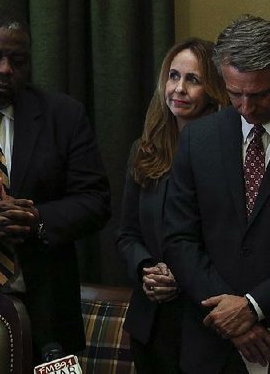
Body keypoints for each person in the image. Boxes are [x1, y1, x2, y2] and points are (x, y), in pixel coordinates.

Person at [0, 8, 111, 362]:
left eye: (18, 60)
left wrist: (37, 219)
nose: (6, 69)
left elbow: (96, 201)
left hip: (45, 312)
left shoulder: (63, 115)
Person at [164, 14, 270, 374]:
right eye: (234, 93)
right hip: (210, 344)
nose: (245, 107)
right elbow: (179, 237)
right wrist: (228, 315)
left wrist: (254, 306)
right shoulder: (199, 139)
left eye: (258, 94)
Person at [117, 38, 228, 373]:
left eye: (192, 80)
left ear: (213, 89)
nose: (179, 88)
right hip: (151, 319)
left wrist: (182, 275)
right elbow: (127, 233)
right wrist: (145, 269)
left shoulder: (228, 154)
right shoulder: (144, 150)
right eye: (173, 76)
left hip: (204, 316)